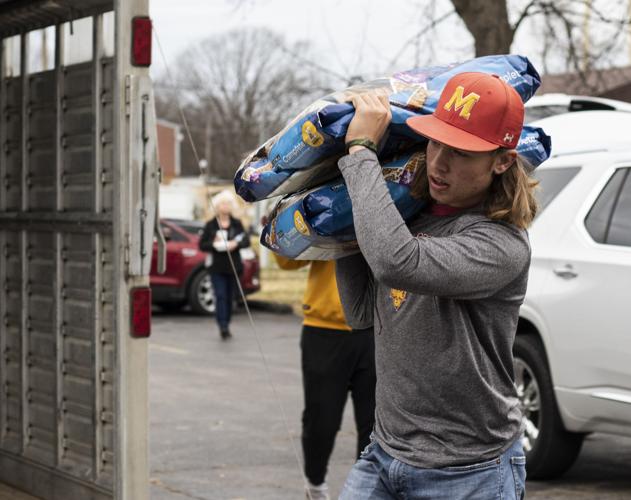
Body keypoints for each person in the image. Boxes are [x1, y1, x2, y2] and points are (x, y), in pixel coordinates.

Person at [334, 72, 539, 499]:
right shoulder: (411, 218)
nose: (440, 162)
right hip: (385, 454)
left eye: (461, 152)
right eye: (435, 142)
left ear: (501, 161)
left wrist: (360, 153)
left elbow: (396, 262)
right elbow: (359, 313)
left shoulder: (500, 243)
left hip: (469, 471)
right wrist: (340, 219)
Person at [272, 253, 376, 500]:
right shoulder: (325, 211)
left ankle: (368, 492)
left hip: (377, 326)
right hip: (324, 328)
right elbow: (288, 261)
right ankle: (315, 486)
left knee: (375, 426)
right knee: (322, 421)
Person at [199, 190, 250, 340]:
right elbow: (202, 245)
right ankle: (223, 325)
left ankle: (227, 321)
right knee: (220, 296)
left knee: (230, 297)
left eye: (228, 203)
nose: (225, 206)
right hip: (217, 267)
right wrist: (214, 244)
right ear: (217, 205)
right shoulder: (211, 225)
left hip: (234, 266)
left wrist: (236, 243)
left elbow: (245, 241)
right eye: (222, 203)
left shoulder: (237, 223)